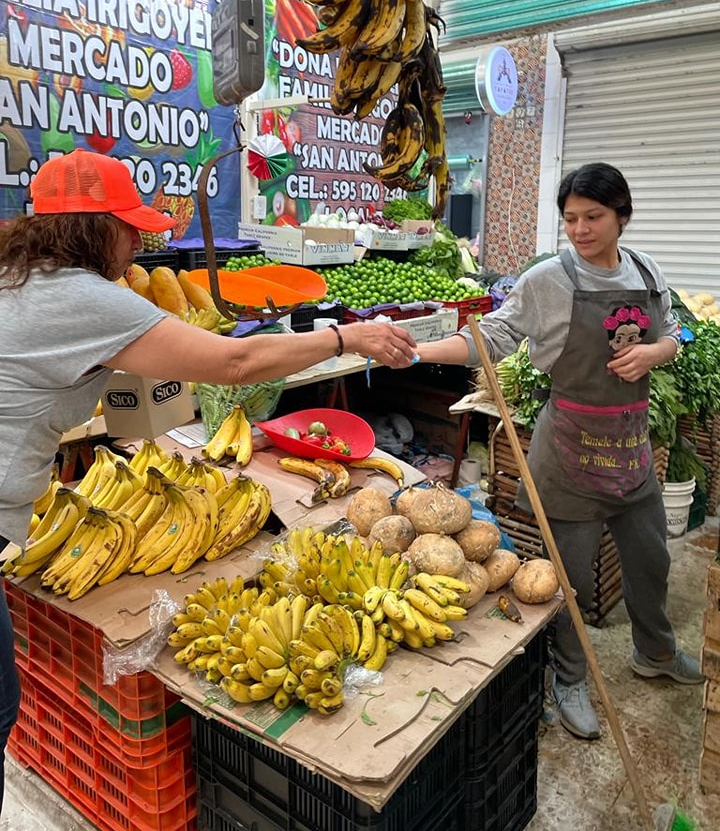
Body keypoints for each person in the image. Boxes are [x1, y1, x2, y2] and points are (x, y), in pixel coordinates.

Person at [0, 148, 416, 808]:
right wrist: (347, 339)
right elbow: (238, 359)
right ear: (92, 229)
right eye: (128, 225)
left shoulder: (17, 277)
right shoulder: (78, 296)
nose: (138, 241)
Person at [412, 162, 703, 740]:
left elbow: (679, 331)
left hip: (631, 448)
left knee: (652, 562)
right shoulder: (550, 279)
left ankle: (657, 653)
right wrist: (417, 352)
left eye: (593, 217)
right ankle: (568, 678)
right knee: (567, 581)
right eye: (569, 218)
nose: (579, 229)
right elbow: (491, 338)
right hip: (570, 452)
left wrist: (656, 352)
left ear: (622, 215)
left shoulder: (647, 271)